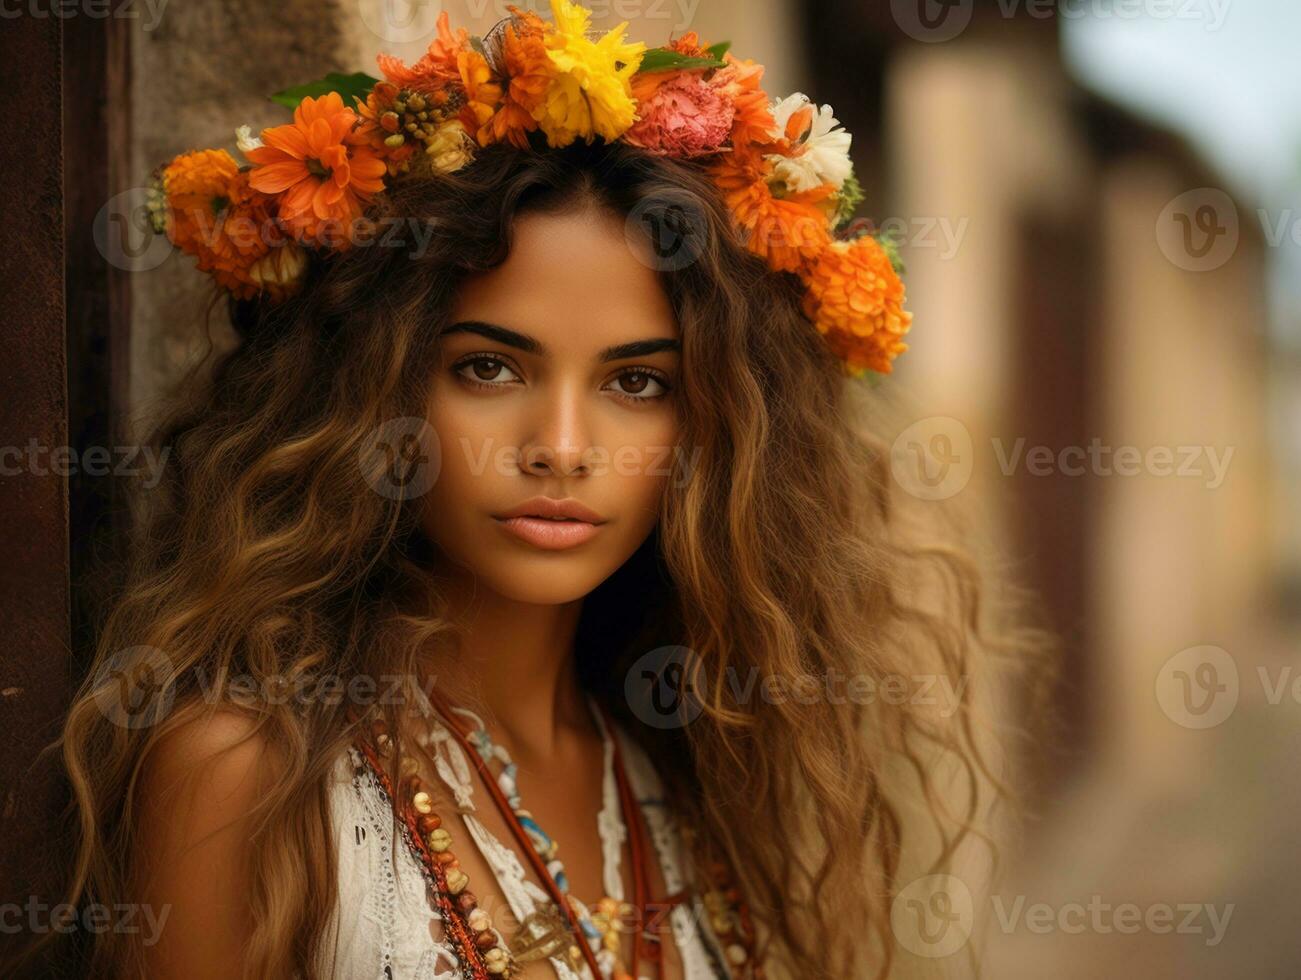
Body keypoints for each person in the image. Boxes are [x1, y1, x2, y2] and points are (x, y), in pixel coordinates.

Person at [16, 5, 1052, 979]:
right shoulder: (242, 771)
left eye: (635, 382)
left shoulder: (679, 768)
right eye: (488, 368)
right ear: (375, 387)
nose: (560, 447)